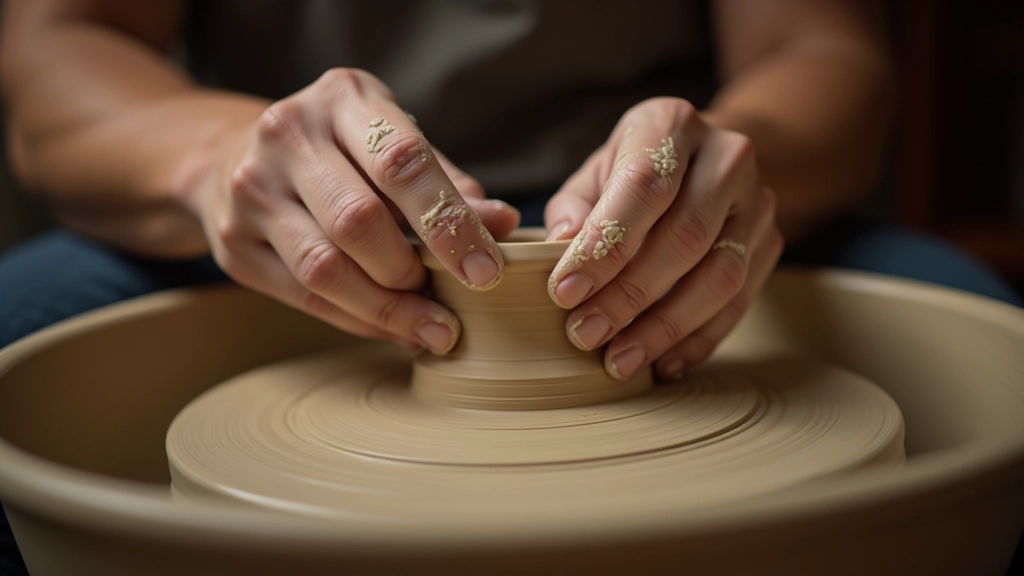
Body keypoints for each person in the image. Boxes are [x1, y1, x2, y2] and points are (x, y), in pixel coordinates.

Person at [0, 1, 1020, 574]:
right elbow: (56, 48)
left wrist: (738, 172)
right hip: (299, 207)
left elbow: (820, 50)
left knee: (981, 343)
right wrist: (218, 159)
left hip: (658, 212)